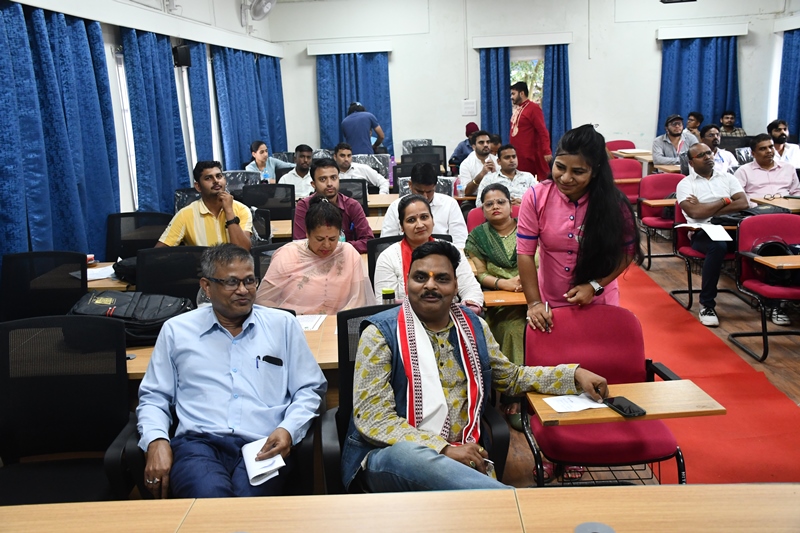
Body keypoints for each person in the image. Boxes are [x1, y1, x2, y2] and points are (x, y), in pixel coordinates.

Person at [341, 240, 609, 492]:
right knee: (407, 454)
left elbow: (512, 378)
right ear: (408, 281)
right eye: (420, 277)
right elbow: (374, 417)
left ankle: (503, 504)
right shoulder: (381, 333)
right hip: (392, 457)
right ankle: (516, 505)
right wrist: (443, 449)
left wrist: (573, 375)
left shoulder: (473, 327)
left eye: (441, 278)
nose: (430, 285)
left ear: (456, 285)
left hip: (466, 452)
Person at [136, 244, 327, 498]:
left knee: (249, 502)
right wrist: (156, 440)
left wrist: (288, 430)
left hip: (264, 444)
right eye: (231, 282)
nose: (243, 290)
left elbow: (309, 389)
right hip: (198, 445)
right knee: (209, 497)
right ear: (206, 286)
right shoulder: (177, 331)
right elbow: (154, 397)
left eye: (249, 281)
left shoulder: (282, 325)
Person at [518, 124, 644, 330]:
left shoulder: (614, 203)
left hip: (599, 297)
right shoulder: (535, 197)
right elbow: (524, 253)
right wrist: (534, 303)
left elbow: (628, 252)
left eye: (578, 172)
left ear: (595, 171)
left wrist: (594, 286)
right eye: (560, 167)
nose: (566, 178)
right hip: (549, 301)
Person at [465, 184, 527, 430]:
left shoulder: (529, 228)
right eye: (489, 204)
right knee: (513, 329)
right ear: (482, 209)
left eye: (501, 202)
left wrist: (528, 282)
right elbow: (480, 274)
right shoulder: (478, 237)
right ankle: (514, 398)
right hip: (500, 303)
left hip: (535, 294)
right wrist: (505, 283)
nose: (495, 207)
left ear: (511, 204)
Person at [257, 196, 374, 314]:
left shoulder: (348, 253)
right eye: (320, 239)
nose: (327, 245)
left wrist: (338, 320)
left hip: (336, 323)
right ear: (307, 233)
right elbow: (263, 301)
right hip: (295, 322)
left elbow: (359, 300)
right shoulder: (287, 255)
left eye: (333, 239)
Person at [676, 143, 748, 327]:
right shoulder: (685, 184)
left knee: (763, 243)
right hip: (703, 231)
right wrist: (725, 200)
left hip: (733, 228)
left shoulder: (728, 178)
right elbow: (695, 213)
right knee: (718, 246)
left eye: (709, 153)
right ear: (691, 163)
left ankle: (773, 303)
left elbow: (743, 203)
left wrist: (707, 208)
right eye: (701, 155)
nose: (708, 157)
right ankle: (707, 304)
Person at [374, 194, 483, 312]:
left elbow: (471, 290)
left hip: (449, 315)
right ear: (402, 227)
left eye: (424, 217)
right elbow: (385, 305)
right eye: (411, 220)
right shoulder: (388, 257)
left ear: (433, 220)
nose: (420, 225)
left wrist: (467, 310)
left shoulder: (450, 250)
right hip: (404, 318)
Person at [158, 161, 253, 250]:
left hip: (234, 263)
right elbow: (158, 252)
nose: (216, 181)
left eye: (219, 176)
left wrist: (229, 211)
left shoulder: (241, 209)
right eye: (208, 178)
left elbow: (244, 251)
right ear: (198, 186)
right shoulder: (185, 215)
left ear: (225, 180)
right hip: (202, 263)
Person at [293, 158, 374, 253]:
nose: (329, 184)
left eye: (333, 178)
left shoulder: (352, 205)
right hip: (315, 259)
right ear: (313, 184)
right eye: (323, 179)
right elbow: (300, 244)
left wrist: (339, 247)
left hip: (344, 256)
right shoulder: (304, 206)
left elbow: (368, 241)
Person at [382, 162, 469, 248]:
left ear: (435, 186)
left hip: (443, 254)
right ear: (410, 185)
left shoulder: (450, 204)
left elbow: (460, 242)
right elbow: (386, 243)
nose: (425, 196)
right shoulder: (395, 207)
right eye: (419, 191)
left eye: (429, 191)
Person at [735, 134, 800, 207]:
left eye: (771, 147)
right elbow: (739, 197)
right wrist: (754, 206)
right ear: (753, 154)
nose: (769, 151)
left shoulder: (788, 168)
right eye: (763, 149)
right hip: (757, 209)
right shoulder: (743, 171)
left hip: (787, 208)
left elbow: (797, 192)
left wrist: (793, 205)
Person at [509, 81, 552, 180]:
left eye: (513, 94)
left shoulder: (533, 108)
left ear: (522, 93)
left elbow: (542, 131)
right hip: (518, 154)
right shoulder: (518, 109)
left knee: (533, 181)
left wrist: (546, 151)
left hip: (529, 155)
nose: (511, 97)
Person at [458, 130, 497, 197]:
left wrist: (495, 174)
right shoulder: (466, 164)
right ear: (473, 147)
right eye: (481, 142)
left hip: (497, 197)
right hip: (474, 199)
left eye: (488, 142)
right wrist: (481, 174)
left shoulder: (497, 161)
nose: (486, 145)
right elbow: (466, 192)